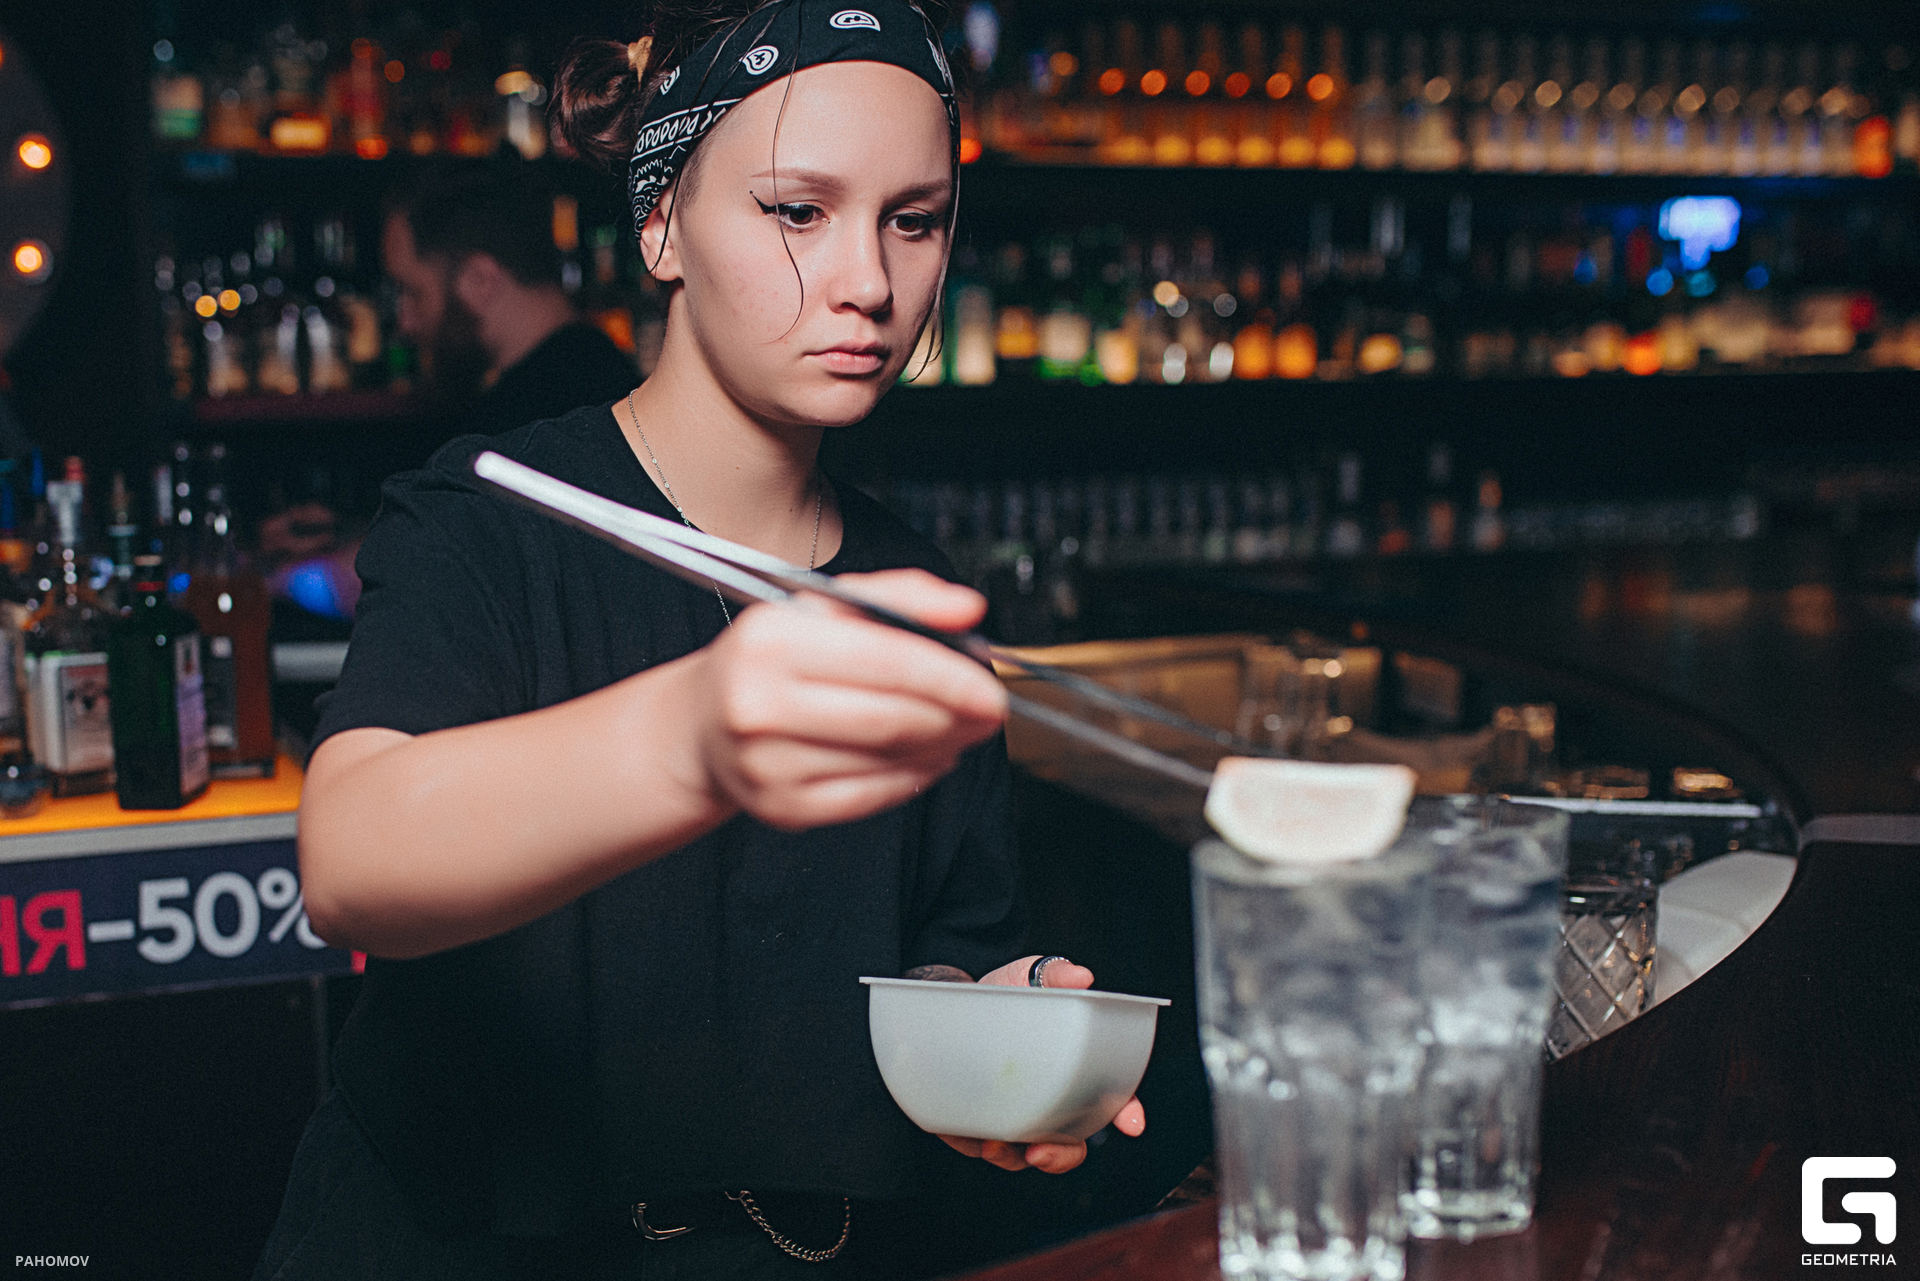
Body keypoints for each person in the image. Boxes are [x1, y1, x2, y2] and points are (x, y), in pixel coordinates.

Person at [252, 3, 1144, 1278]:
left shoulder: (917, 594)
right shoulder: (493, 516)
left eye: (914, 219)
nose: (867, 282)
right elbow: (351, 861)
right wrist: (694, 738)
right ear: (660, 224)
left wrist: (993, 1036)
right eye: (798, 212)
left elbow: (938, 944)